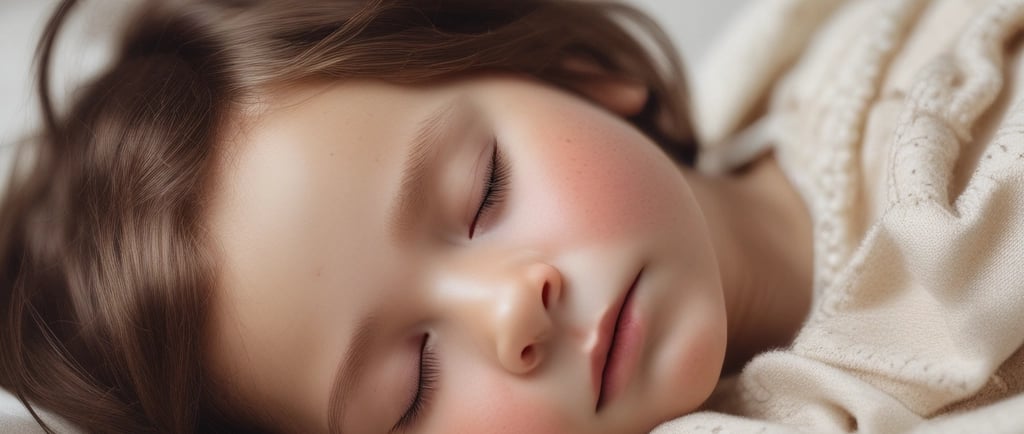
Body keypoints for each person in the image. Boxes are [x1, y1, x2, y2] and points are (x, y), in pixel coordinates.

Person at [2, 0, 1022, 434]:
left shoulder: (950, 80)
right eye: (409, 386)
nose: (512, 310)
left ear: (569, 68)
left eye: (482, 192)